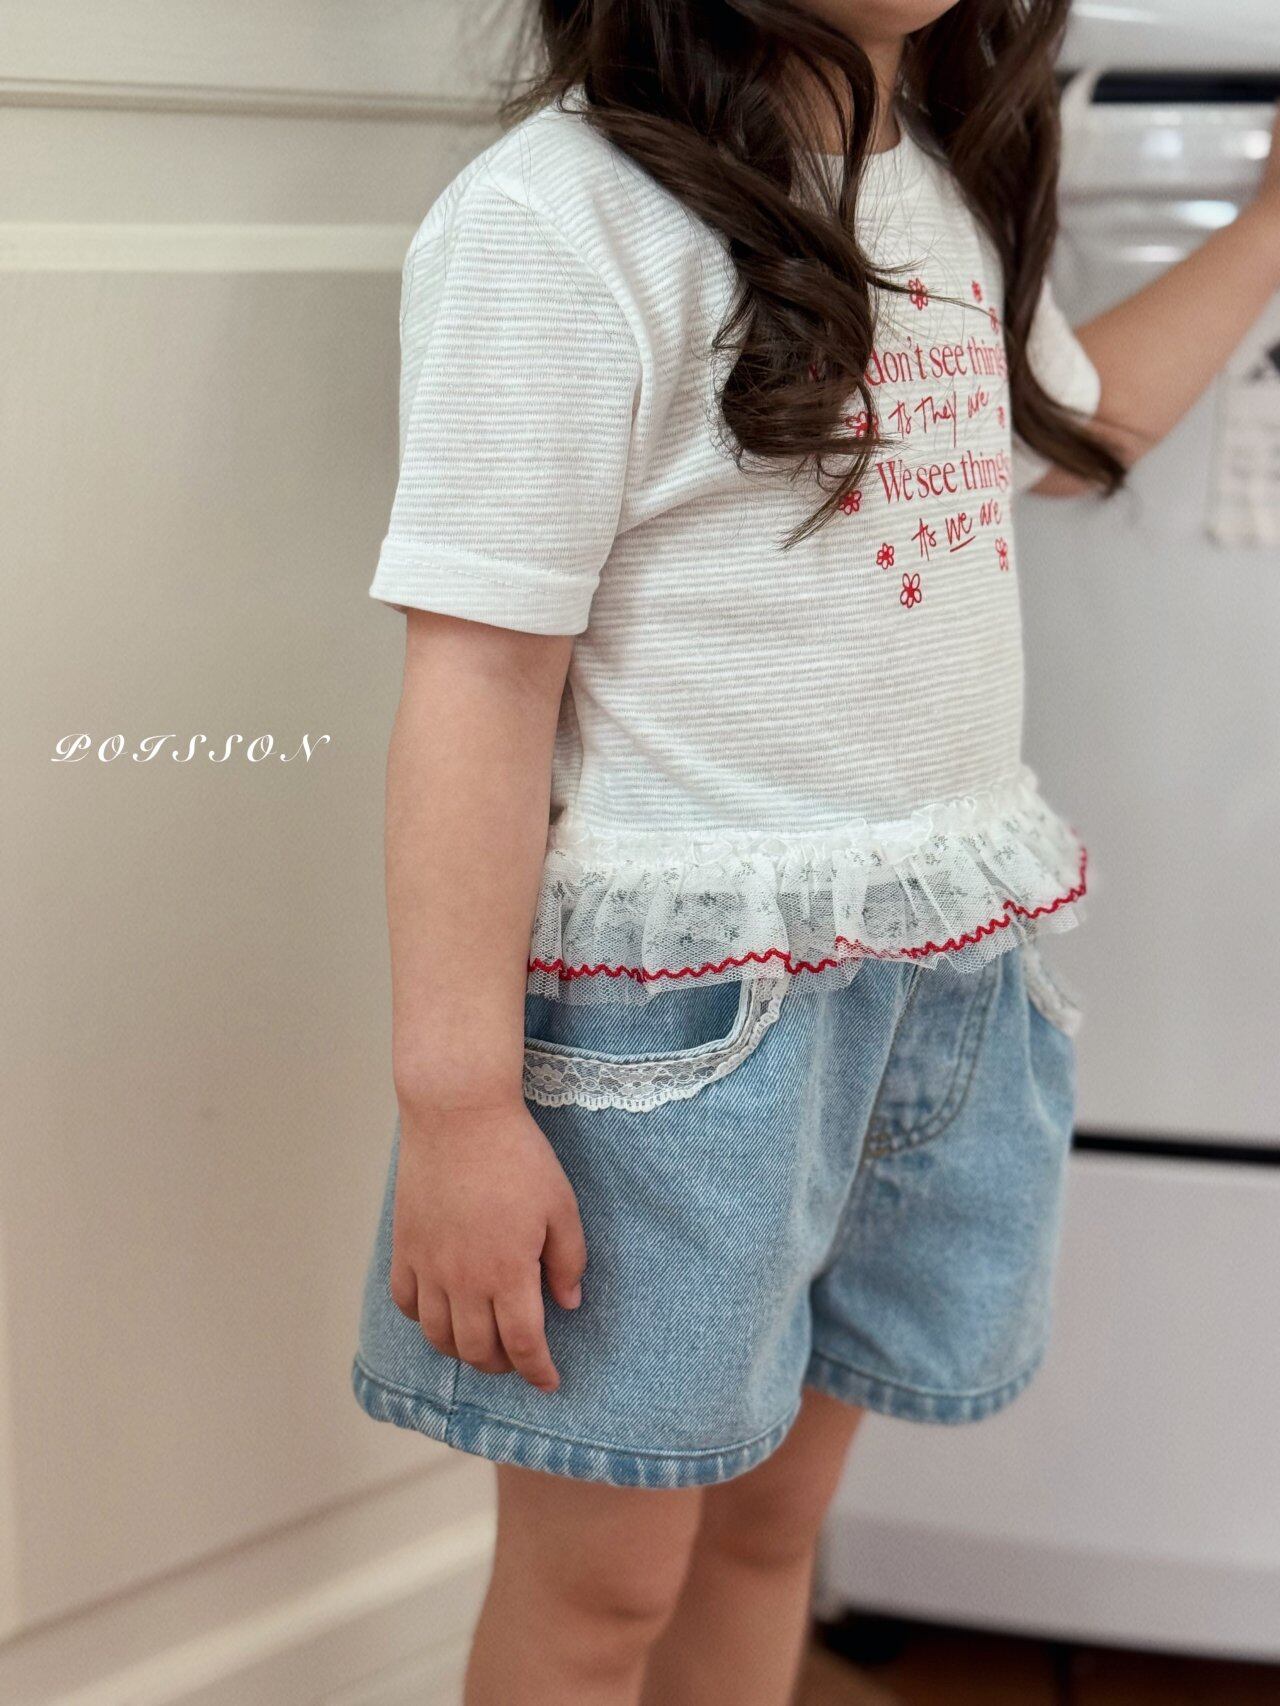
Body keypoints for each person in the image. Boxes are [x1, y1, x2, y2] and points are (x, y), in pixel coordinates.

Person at [351, 3, 1280, 1700]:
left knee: (774, 1524)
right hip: (682, 1042)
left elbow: (1074, 430)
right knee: (599, 1592)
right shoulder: (562, 219)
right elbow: (479, 684)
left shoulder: (940, 190)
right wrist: (458, 1103)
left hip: (936, 988)